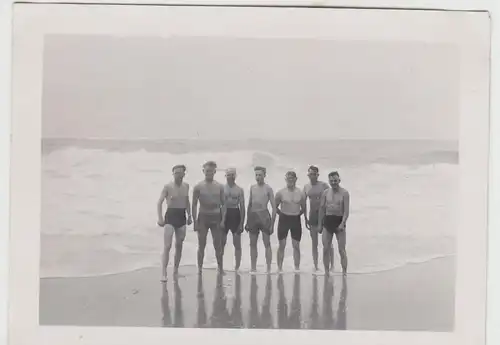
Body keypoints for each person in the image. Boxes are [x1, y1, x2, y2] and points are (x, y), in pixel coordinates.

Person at [157, 164, 192, 282]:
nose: (178, 175)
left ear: (184, 174)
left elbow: (187, 202)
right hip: (170, 216)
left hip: (181, 216)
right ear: (173, 174)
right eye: (176, 173)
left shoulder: (186, 186)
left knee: (179, 245)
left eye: (180, 173)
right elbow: (159, 202)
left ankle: (176, 271)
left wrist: (190, 215)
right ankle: (163, 272)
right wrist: (160, 218)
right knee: (167, 246)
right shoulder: (168, 186)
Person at [192, 161, 225, 274]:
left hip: (216, 216)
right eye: (207, 171)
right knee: (201, 244)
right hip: (203, 217)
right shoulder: (198, 187)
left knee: (218, 244)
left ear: (215, 171)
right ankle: (199, 268)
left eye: (211, 171)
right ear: (203, 171)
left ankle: (220, 268)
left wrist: (223, 220)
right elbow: (194, 204)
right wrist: (195, 220)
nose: (209, 173)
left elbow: (224, 204)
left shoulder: (220, 186)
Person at [319, 171, 350, 275]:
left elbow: (346, 211)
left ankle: (344, 272)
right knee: (326, 248)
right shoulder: (326, 193)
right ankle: (326, 272)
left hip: (339, 220)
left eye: (335, 180)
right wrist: (320, 224)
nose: (333, 183)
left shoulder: (344, 193)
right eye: (331, 181)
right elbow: (322, 209)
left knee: (341, 249)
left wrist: (342, 223)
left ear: (339, 180)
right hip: (328, 221)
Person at [245, 166, 276, 272]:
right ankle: (253, 268)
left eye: (260, 175)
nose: (258, 177)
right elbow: (249, 204)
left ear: (264, 176)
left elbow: (274, 207)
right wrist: (247, 221)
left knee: (266, 243)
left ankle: (268, 268)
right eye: (256, 175)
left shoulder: (268, 189)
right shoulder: (252, 187)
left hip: (264, 216)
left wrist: (272, 224)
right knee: (252, 243)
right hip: (253, 216)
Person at [275, 171, 306, 271]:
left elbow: (304, 208)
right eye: (288, 178)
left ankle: (297, 268)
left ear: (296, 179)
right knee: (282, 245)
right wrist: (281, 214)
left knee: (296, 245)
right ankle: (279, 268)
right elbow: (274, 207)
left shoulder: (301, 193)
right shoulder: (280, 193)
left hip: (295, 220)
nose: (290, 180)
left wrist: (299, 215)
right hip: (284, 219)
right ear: (286, 179)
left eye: (292, 178)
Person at [303, 166, 332, 271]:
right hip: (312, 216)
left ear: (317, 175)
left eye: (314, 174)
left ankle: (331, 265)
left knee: (327, 242)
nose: (312, 176)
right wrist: (305, 216)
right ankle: (315, 266)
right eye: (310, 174)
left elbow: (331, 198)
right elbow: (304, 203)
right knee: (314, 242)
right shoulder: (306, 187)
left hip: (324, 215)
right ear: (308, 175)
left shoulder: (323, 185)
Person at [222, 168, 245, 271]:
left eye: (232, 175)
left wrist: (242, 223)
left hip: (235, 214)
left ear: (235, 176)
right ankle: (220, 266)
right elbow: (220, 205)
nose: (230, 177)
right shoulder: (222, 189)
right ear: (225, 176)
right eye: (228, 175)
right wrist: (221, 220)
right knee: (222, 242)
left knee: (237, 243)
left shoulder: (239, 190)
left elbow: (242, 207)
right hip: (224, 215)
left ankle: (237, 267)